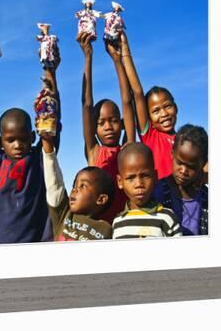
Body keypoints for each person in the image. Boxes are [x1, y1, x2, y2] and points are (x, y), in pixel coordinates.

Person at [0, 55, 60, 244]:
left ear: (32, 137)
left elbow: (51, 125)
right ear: (0, 141)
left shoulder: (40, 160)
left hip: (34, 250)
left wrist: (51, 82)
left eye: (23, 139)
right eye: (10, 140)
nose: (17, 144)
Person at [77, 31, 135, 223]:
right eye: (101, 123)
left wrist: (117, 60)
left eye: (114, 120)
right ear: (93, 128)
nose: (108, 126)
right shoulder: (94, 152)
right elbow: (86, 104)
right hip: (99, 229)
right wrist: (88, 57)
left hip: (124, 228)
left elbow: (127, 101)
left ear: (124, 124)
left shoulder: (128, 150)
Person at [119, 31, 178, 180]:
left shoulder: (185, 140)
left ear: (176, 108)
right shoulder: (151, 135)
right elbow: (137, 92)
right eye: (156, 111)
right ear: (149, 117)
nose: (164, 114)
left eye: (167, 106)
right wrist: (124, 49)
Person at [41, 133, 113, 241]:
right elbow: (54, 183)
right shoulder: (64, 214)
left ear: (101, 199)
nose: (74, 189)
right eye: (74, 185)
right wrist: (47, 144)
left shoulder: (107, 229)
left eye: (82, 185)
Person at [112, 143, 182, 239]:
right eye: (131, 178)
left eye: (145, 176)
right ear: (120, 182)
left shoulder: (167, 218)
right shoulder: (118, 222)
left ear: (155, 176)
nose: (139, 184)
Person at [153, 124, 209, 236]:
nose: (183, 171)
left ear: (202, 164)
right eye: (179, 162)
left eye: (191, 167)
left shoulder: (206, 196)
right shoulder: (158, 191)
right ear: (172, 153)